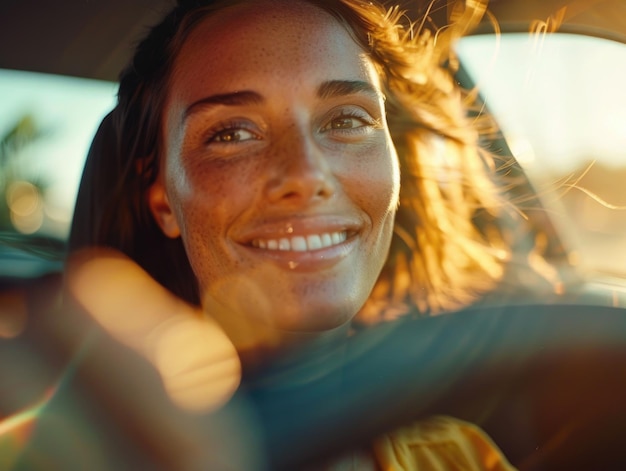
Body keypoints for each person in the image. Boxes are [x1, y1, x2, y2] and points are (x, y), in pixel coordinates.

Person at [66, 0, 522, 468]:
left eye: (347, 120)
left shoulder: (461, 456)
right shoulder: (80, 448)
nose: (305, 174)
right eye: (232, 133)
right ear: (163, 199)